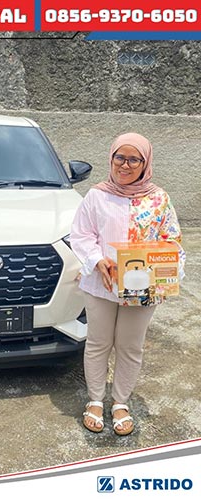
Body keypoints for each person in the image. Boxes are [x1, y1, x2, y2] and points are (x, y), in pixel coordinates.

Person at [69, 132, 185, 436]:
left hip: (142, 287)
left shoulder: (159, 199)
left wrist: (163, 269)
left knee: (130, 346)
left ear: (145, 163)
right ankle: (95, 400)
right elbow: (81, 234)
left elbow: (172, 239)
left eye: (134, 159)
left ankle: (120, 402)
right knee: (98, 343)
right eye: (120, 157)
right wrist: (97, 260)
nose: (125, 165)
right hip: (102, 283)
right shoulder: (97, 195)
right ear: (111, 158)